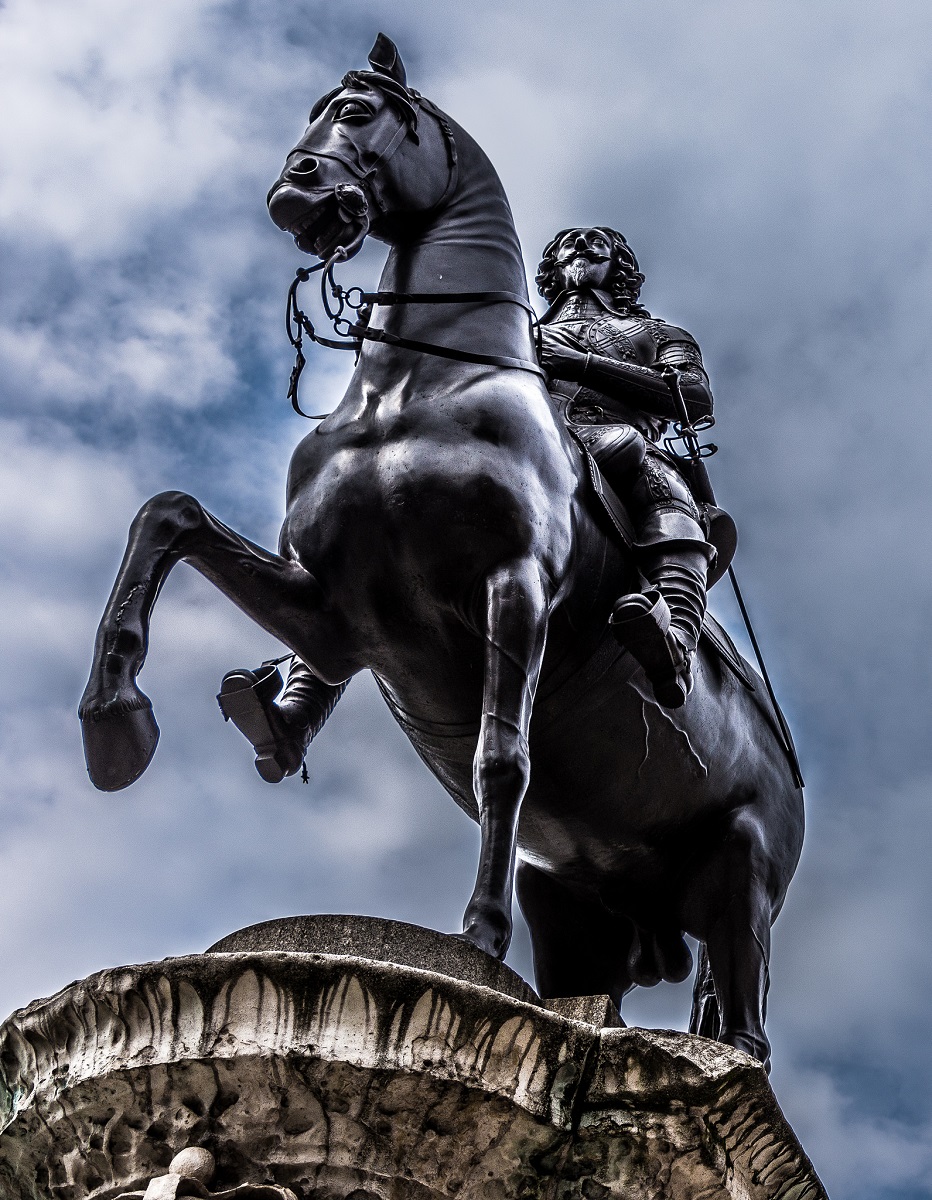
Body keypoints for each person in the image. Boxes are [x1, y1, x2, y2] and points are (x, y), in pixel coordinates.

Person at [537, 226, 716, 707]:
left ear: (620, 265)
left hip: (622, 446)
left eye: (594, 240)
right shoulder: (511, 327)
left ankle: (677, 637)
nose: (578, 245)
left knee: (669, 497)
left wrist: (584, 364)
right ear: (552, 266)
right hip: (526, 438)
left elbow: (694, 397)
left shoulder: (661, 334)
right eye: (567, 242)